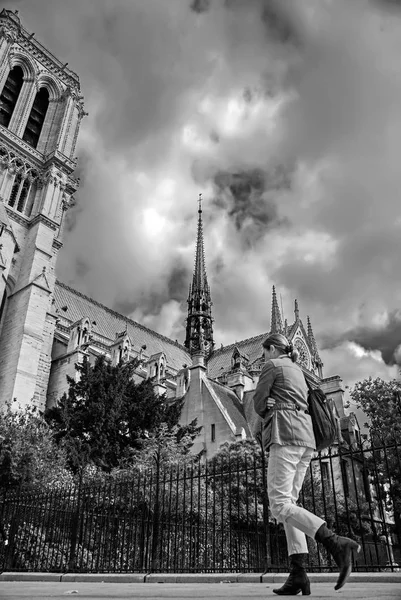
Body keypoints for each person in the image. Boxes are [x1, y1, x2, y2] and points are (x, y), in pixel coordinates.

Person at [253, 333, 360, 595]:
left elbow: (257, 404)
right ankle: (298, 573)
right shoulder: (298, 370)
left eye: (264, 351)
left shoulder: (272, 366)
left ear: (272, 349)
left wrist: (267, 404)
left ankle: (335, 542)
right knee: (289, 503)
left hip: (285, 435)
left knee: (279, 504)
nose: (263, 356)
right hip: (306, 440)